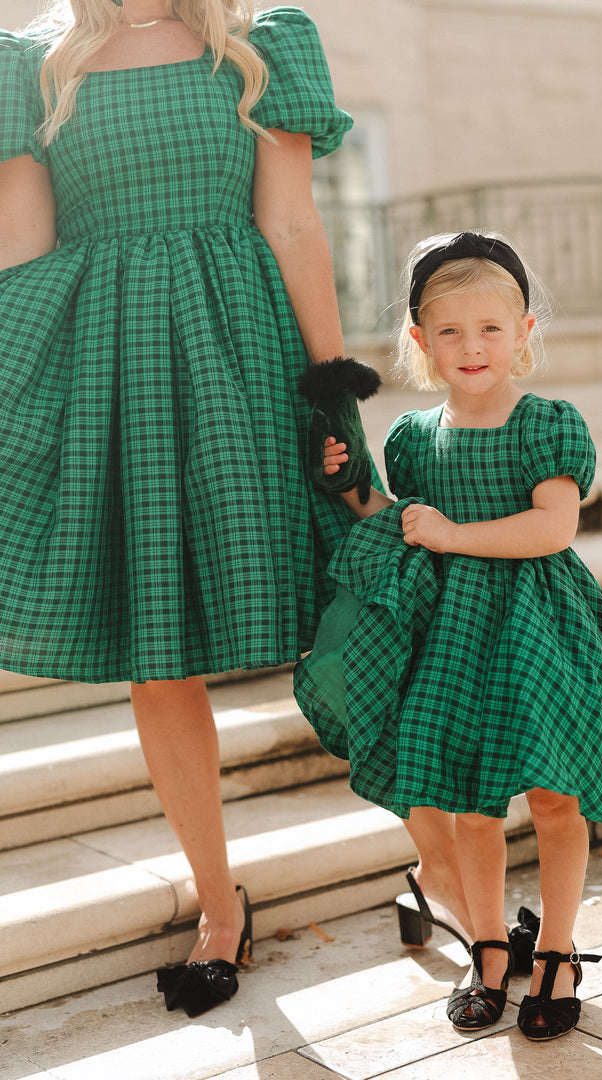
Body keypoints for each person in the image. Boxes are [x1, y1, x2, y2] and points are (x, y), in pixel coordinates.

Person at [0, 0, 366, 1018]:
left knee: (355, 581)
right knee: (160, 655)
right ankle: (218, 907)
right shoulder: (28, 63)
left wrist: (332, 381)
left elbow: (290, 220)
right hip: (114, 371)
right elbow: (20, 251)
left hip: (245, 358)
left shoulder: (259, 46)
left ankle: (444, 849)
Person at [294, 230, 602, 1040]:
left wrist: (452, 536)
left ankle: (555, 949)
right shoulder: (415, 438)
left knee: (557, 798)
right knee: (470, 804)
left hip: (538, 631)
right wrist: (353, 491)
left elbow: (552, 529)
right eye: (450, 331)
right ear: (420, 341)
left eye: (491, 328)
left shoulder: (546, 424)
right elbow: (406, 525)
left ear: (524, 332)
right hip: (451, 639)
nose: (472, 346)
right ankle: (489, 951)